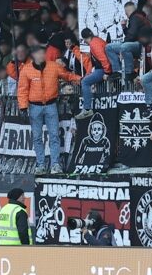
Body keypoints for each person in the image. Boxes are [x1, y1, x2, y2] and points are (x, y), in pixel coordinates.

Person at [17, 43, 79, 173]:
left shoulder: (53, 66)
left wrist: (81, 79)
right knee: (37, 137)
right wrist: (23, 107)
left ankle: (55, 164)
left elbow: (67, 75)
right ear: (33, 56)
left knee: (54, 135)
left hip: (51, 105)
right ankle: (40, 165)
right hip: (35, 107)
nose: (41, 56)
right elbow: (22, 90)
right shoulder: (26, 70)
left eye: (42, 53)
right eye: (38, 53)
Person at [73, 28, 112, 120]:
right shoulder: (97, 40)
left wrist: (107, 72)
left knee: (85, 82)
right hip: (102, 68)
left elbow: (103, 59)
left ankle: (87, 109)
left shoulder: (94, 44)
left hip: (103, 69)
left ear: (85, 38)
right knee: (87, 79)